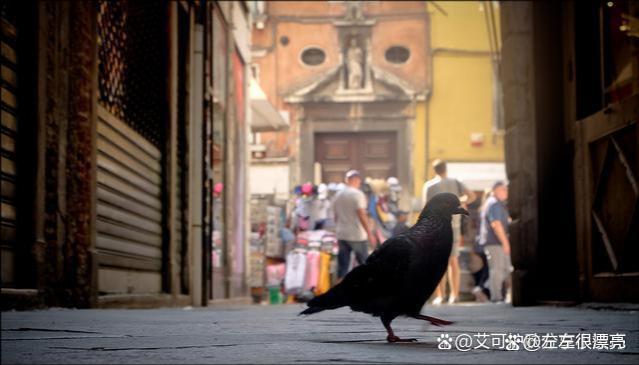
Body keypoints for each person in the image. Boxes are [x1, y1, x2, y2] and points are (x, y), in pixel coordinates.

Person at [422, 159, 477, 305]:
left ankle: (441, 296)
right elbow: (472, 196)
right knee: (453, 260)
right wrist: (461, 200)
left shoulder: (429, 186)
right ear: (446, 169)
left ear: (434, 170)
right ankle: (454, 295)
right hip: (454, 227)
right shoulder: (456, 182)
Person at [332, 170, 374, 280]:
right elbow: (361, 215)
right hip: (357, 235)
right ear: (356, 180)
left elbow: (335, 216)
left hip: (342, 234)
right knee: (364, 264)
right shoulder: (357, 194)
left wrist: (338, 228)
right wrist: (369, 233)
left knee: (343, 267)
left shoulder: (338, 195)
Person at [478, 181, 512, 303]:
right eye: (504, 190)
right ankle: (496, 297)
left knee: (502, 269)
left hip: (494, 242)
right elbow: (496, 224)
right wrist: (506, 243)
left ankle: (486, 287)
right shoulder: (494, 204)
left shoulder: (493, 203)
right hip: (495, 243)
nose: (507, 192)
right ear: (497, 190)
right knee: (498, 269)